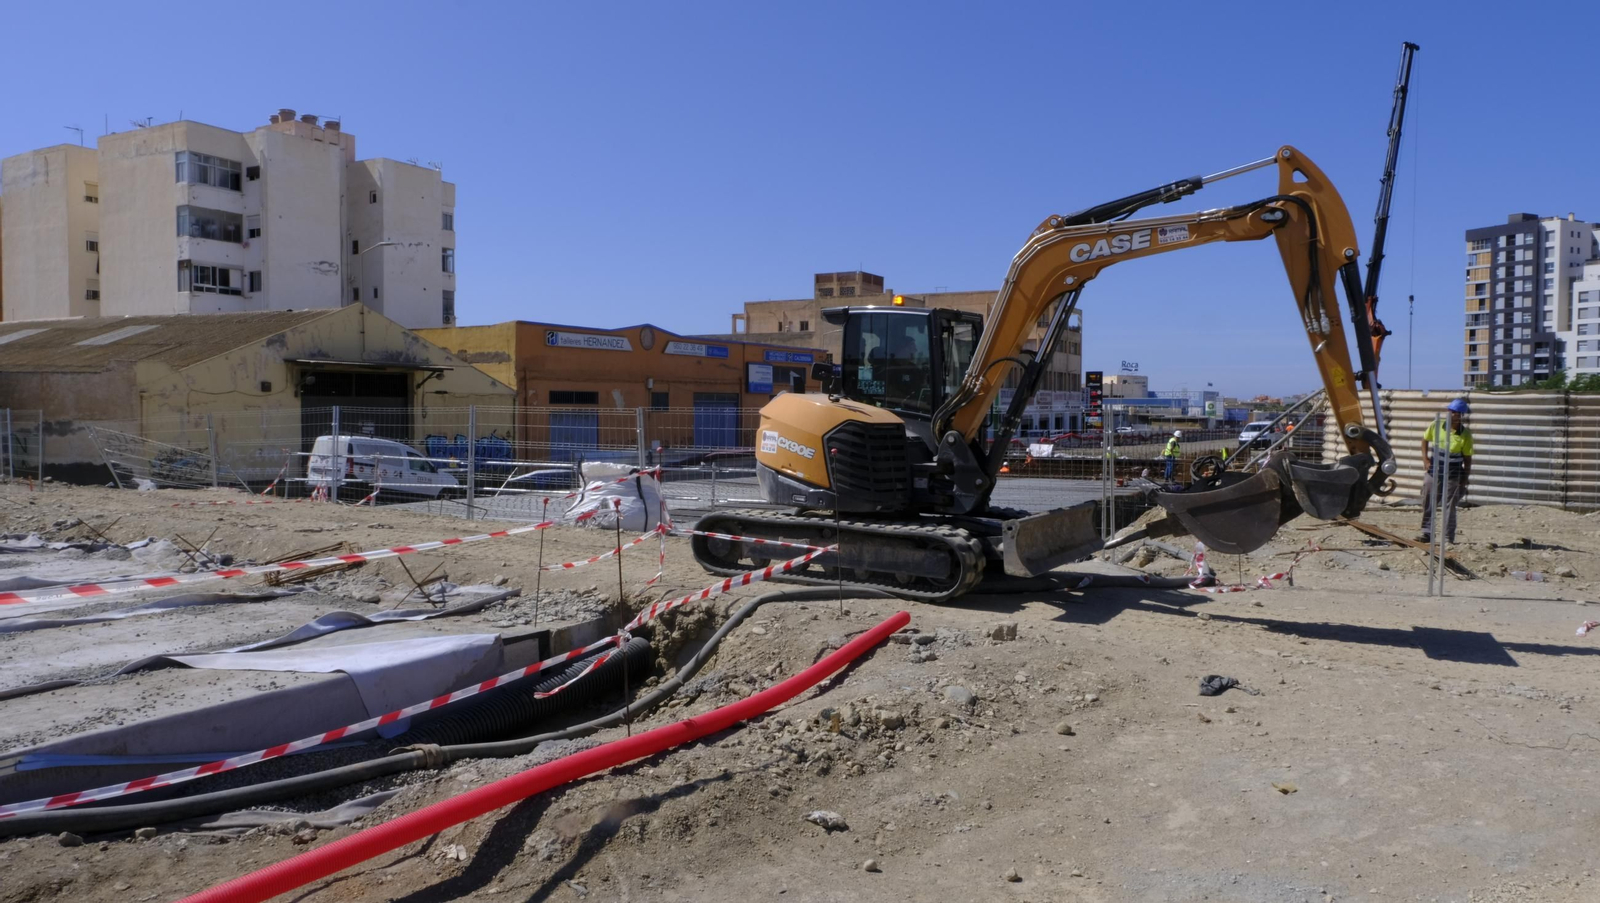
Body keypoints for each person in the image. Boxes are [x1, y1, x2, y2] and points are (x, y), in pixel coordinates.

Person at [1419, 398, 1473, 544]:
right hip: (1434, 471)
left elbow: (1467, 458)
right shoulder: (1436, 425)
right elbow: (1424, 440)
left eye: (1455, 412)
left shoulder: (1465, 435)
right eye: (1450, 411)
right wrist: (1425, 460)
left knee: (1449, 506)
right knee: (1429, 501)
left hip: (1453, 474)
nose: (1451, 414)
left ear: (1460, 416)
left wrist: (1465, 478)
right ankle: (1426, 533)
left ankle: (1448, 537)